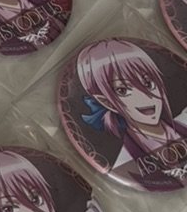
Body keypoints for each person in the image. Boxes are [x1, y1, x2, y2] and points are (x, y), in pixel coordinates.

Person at [76, 40, 187, 180]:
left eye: (147, 83)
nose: (145, 97)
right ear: (106, 102)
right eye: (123, 90)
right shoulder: (124, 164)